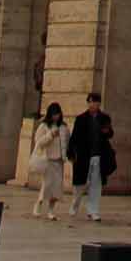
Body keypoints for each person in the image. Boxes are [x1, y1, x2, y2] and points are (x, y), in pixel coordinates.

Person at [68, 92, 115, 222]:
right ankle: (75, 205)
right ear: (88, 103)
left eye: (95, 102)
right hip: (83, 156)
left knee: (96, 184)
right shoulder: (81, 118)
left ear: (99, 103)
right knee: (80, 185)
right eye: (91, 102)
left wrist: (107, 132)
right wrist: (71, 153)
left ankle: (93, 211)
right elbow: (74, 138)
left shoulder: (104, 118)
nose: (93, 104)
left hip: (98, 155)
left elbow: (110, 133)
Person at [31, 102, 69, 220]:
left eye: (57, 114)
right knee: (47, 185)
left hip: (59, 161)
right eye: (54, 114)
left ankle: (51, 211)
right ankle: (38, 205)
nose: (56, 117)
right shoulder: (44, 126)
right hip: (48, 159)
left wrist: (67, 155)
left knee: (57, 187)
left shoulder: (64, 127)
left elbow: (67, 142)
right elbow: (39, 142)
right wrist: (50, 135)